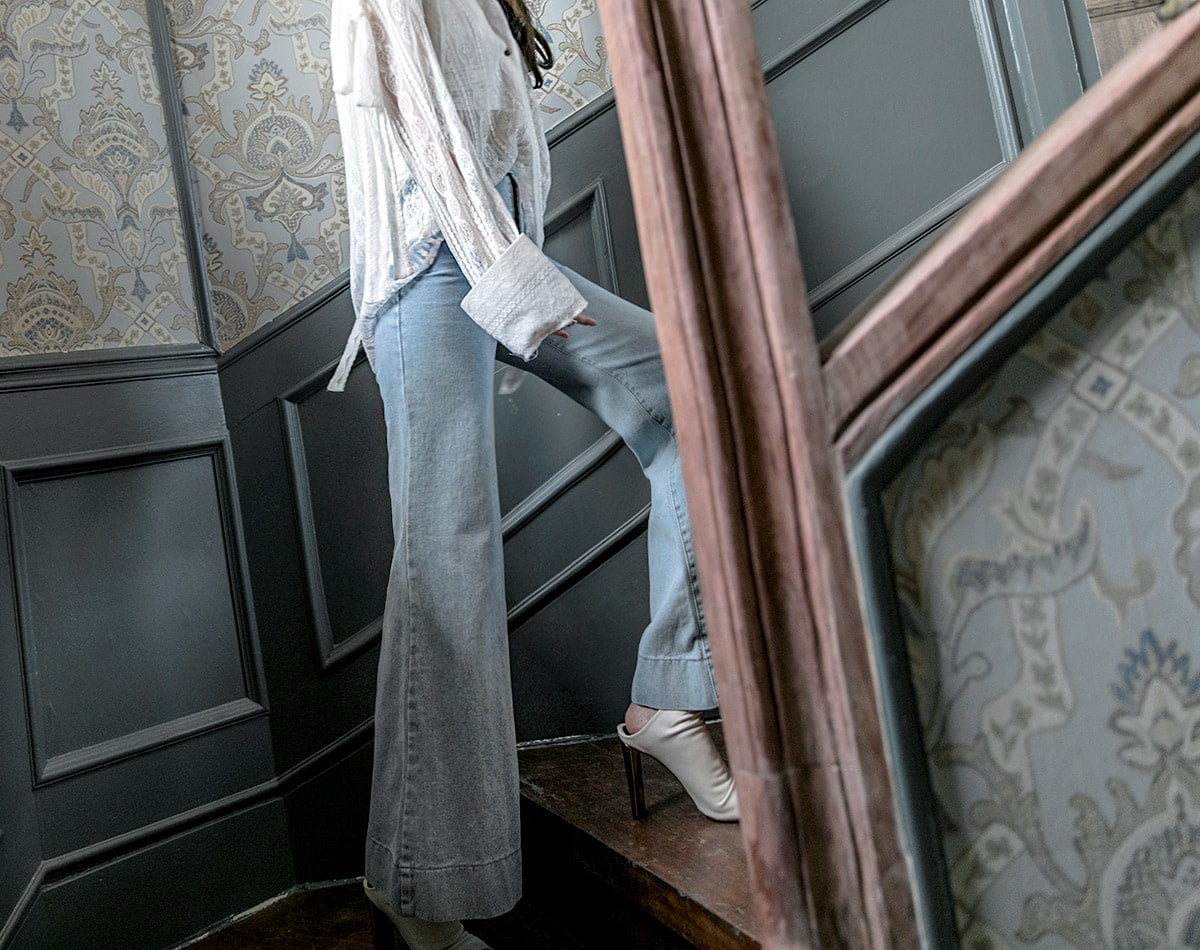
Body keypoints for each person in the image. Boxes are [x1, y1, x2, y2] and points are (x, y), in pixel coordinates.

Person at [328, 1, 737, 946]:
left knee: (690, 396)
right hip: (431, 262)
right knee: (448, 558)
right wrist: (516, 285)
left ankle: (668, 695)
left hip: (495, 250)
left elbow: (499, 142)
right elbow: (424, 127)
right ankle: (419, 887)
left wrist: (519, 265)